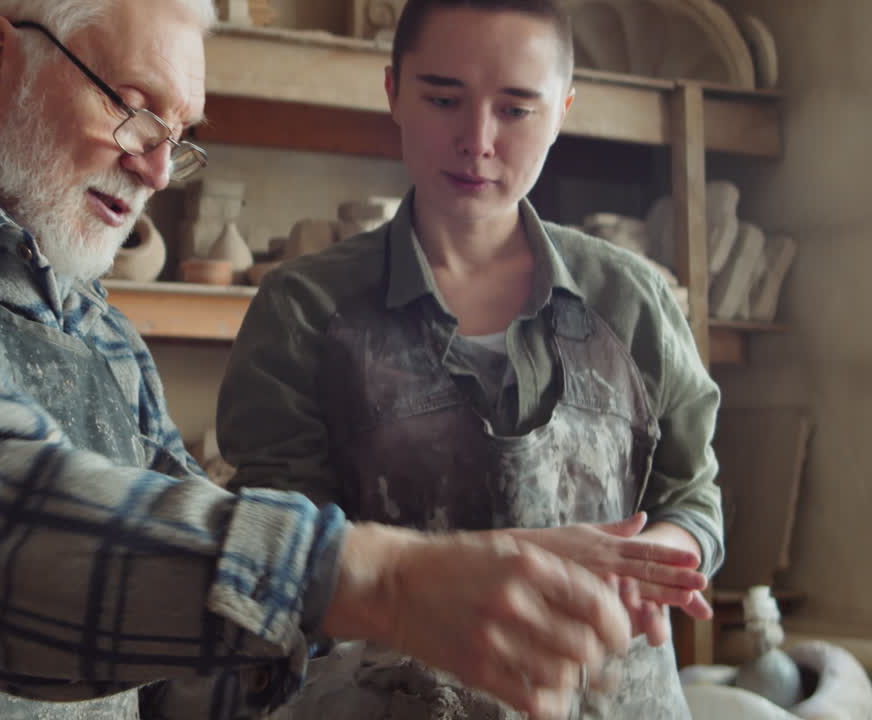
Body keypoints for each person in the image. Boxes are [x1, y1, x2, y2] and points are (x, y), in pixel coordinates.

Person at [0, 1, 642, 719]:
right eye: (136, 107)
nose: (159, 166)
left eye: (179, 133)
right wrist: (379, 576)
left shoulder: (100, 337)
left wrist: (445, 590)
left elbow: (191, 680)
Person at [218, 0, 724, 718]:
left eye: (516, 110)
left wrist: (651, 563)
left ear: (563, 111)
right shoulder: (302, 310)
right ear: (393, 91)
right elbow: (279, 556)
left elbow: (693, 495)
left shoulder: (631, 299)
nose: (477, 140)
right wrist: (508, 566)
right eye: (444, 98)